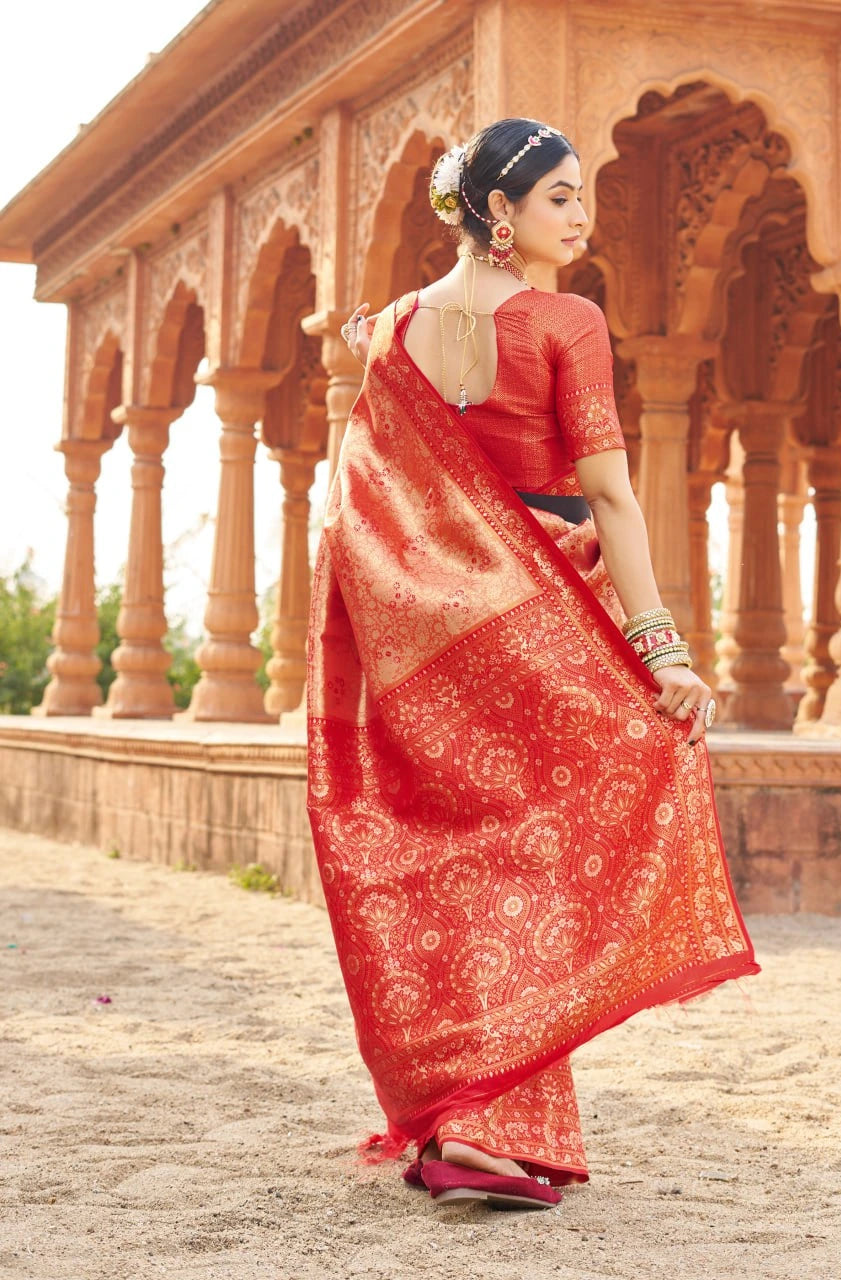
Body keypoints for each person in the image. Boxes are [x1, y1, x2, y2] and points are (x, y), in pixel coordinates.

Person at [306, 118, 759, 1211]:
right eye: (561, 195)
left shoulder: (393, 331)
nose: (581, 216)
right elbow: (608, 493)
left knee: (463, 856)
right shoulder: (566, 322)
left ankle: (459, 1118)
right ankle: (476, 1123)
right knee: (543, 846)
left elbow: (360, 501)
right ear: (500, 211)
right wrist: (660, 646)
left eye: (581, 195)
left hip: (425, 640)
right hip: (537, 619)